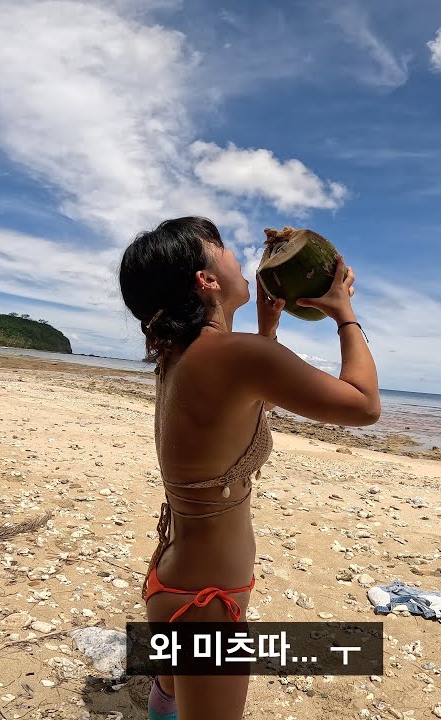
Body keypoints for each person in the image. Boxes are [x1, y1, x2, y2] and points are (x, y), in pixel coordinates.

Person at [118, 217, 381, 720]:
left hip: (174, 580)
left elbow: (234, 406)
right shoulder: (237, 357)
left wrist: (267, 330)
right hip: (207, 603)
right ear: (205, 280)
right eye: (221, 247)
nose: (240, 256)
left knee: (170, 699)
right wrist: (345, 314)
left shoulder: (178, 356)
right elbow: (364, 405)